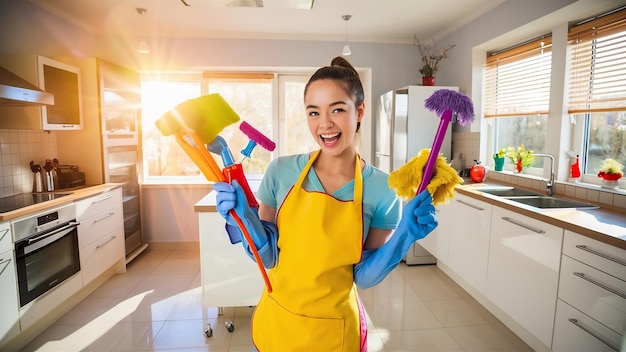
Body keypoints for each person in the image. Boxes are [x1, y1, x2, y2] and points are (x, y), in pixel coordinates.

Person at [214, 56, 438, 352]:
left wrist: (404, 236)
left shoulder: (382, 189)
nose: (325, 124)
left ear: (359, 111)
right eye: (313, 112)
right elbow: (268, 258)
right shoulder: (280, 172)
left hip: (336, 332)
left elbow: (364, 276)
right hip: (278, 322)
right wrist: (242, 218)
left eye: (337, 109)